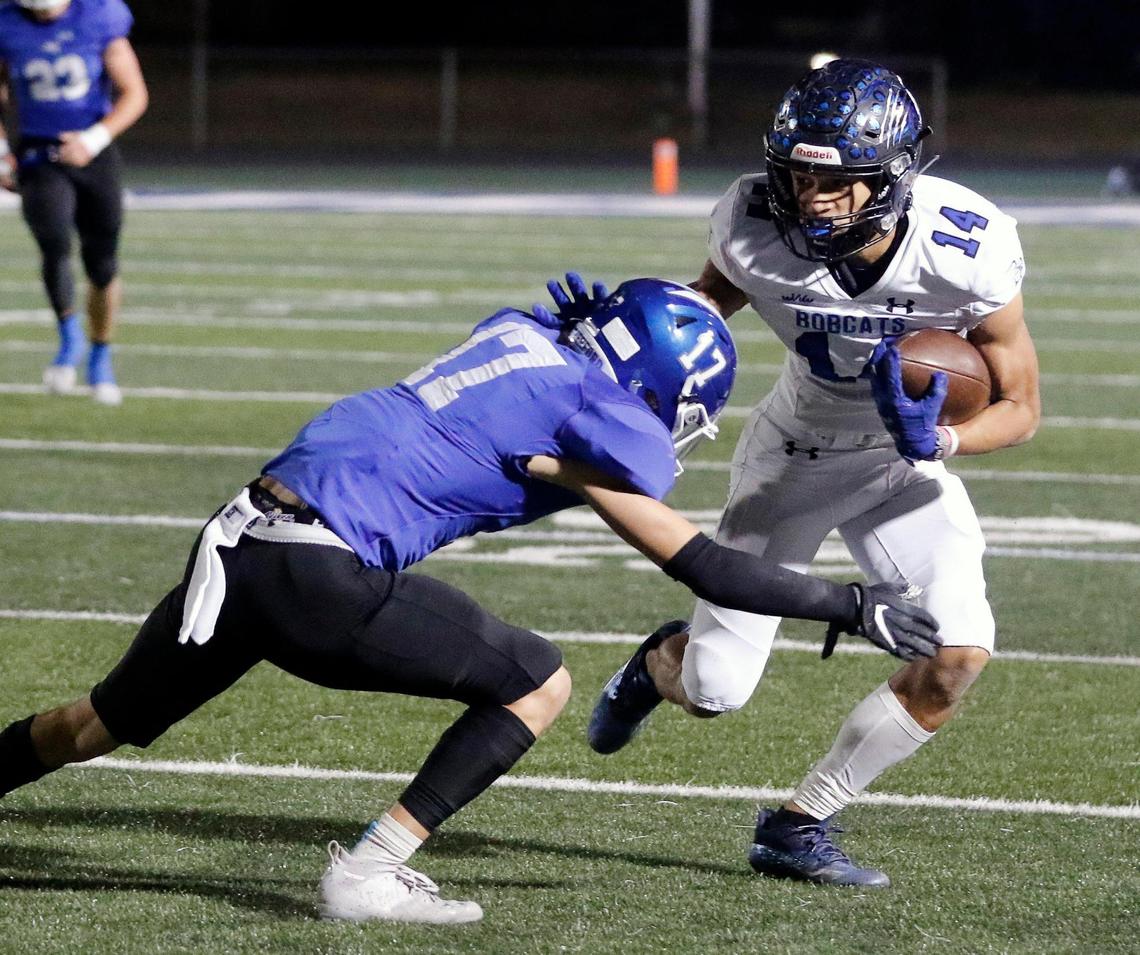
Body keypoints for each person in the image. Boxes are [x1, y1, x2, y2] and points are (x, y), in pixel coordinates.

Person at [0, 278, 938, 923]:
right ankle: (367, 873)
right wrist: (849, 605)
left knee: (95, 722)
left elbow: (539, 338)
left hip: (240, 540)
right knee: (538, 682)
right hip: (323, 571)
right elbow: (703, 566)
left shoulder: (517, 335)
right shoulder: (601, 427)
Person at [583, 59, 1040, 888]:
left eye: (839, 183)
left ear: (895, 176)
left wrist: (942, 442)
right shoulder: (752, 220)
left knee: (959, 654)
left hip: (901, 464)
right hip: (792, 455)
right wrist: (624, 328)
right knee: (715, 689)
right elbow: (702, 307)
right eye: (797, 175)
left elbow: (1021, 407)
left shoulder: (965, 249)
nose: (811, 199)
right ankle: (660, 662)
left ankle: (798, 823)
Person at [0, 0, 148, 406]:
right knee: (53, 239)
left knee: (102, 264)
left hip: (94, 153)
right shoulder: (6, 20)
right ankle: (70, 338)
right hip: (39, 154)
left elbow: (134, 93)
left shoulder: (99, 14)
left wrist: (93, 140)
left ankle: (101, 354)